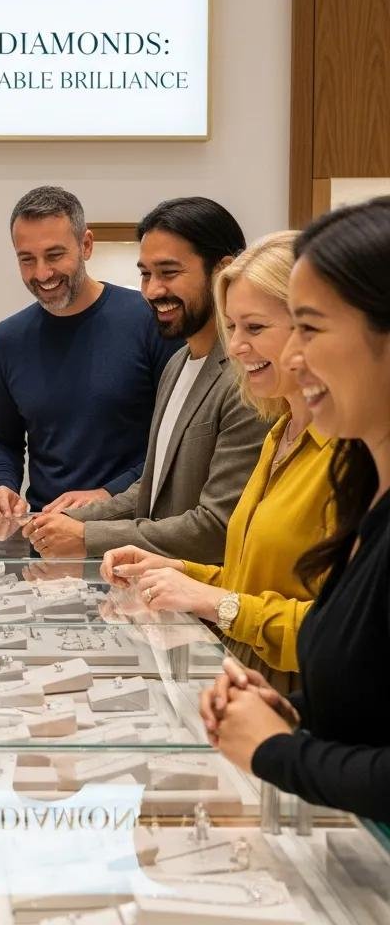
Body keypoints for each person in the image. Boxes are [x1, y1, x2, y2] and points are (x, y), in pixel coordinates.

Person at [200, 198, 390, 822]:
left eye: (308, 328)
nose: (293, 358)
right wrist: (296, 711)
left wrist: (278, 749)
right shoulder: (364, 484)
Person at [100, 233, 333, 692]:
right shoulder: (279, 434)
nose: (238, 347)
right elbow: (255, 580)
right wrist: (179, 573)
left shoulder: (351, 456)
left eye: (256, 328)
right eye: (233, 328)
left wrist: (213, 600)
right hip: (250, 691)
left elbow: (345, 635)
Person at [23, 197, 268, 562]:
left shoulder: (247, 381)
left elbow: (217, 527)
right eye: (146, 274)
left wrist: (87, 535)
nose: (153, 291)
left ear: (222, 272)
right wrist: (59, 521)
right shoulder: (177, 364)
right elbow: (152, 490)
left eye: (168, 273)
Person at [0, 186, 179, 519]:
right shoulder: (7, 340)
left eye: (54, 255)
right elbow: (0, 438)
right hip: (45, 537)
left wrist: (108, 494)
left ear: (86, 245)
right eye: (27, 259)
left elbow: (176, 441)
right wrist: (1, 486)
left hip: (133, 534)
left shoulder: (150, 322)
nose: (42, 273)